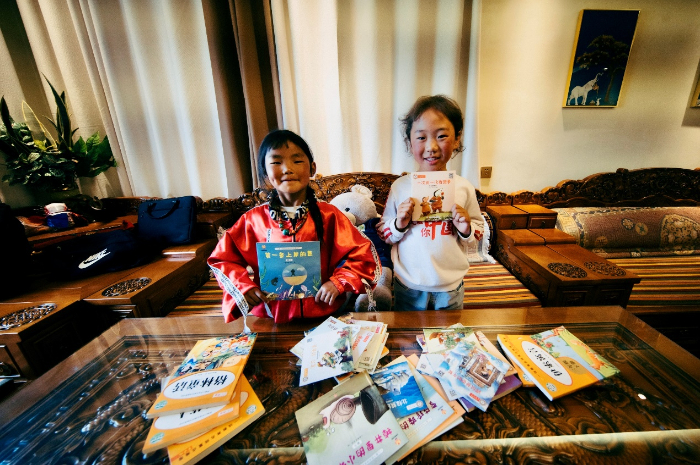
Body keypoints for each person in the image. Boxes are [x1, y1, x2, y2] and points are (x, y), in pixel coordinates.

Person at [208, 129, 380, 324]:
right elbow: (222, 260)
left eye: (297, 161)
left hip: (324, 314)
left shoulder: (330, 215)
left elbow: (364, 254)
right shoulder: (253, 220)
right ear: (265, 172)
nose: (287, 169)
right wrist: (244, 286)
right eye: (276, 162)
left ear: (312, 168)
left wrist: (338, 282)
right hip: (270, 315)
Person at [380, 95, 484, 310]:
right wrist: (399, 224)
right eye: (421, 137)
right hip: (408, 285)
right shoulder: (400, 187)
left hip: (450, 287)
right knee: (407, 332)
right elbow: (384, 234)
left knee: (448, 332)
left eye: (442, 136)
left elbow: (478, 233)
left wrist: (466, 228)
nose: (431, 146)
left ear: (457, 139)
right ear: (409, 143)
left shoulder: (463, 187)